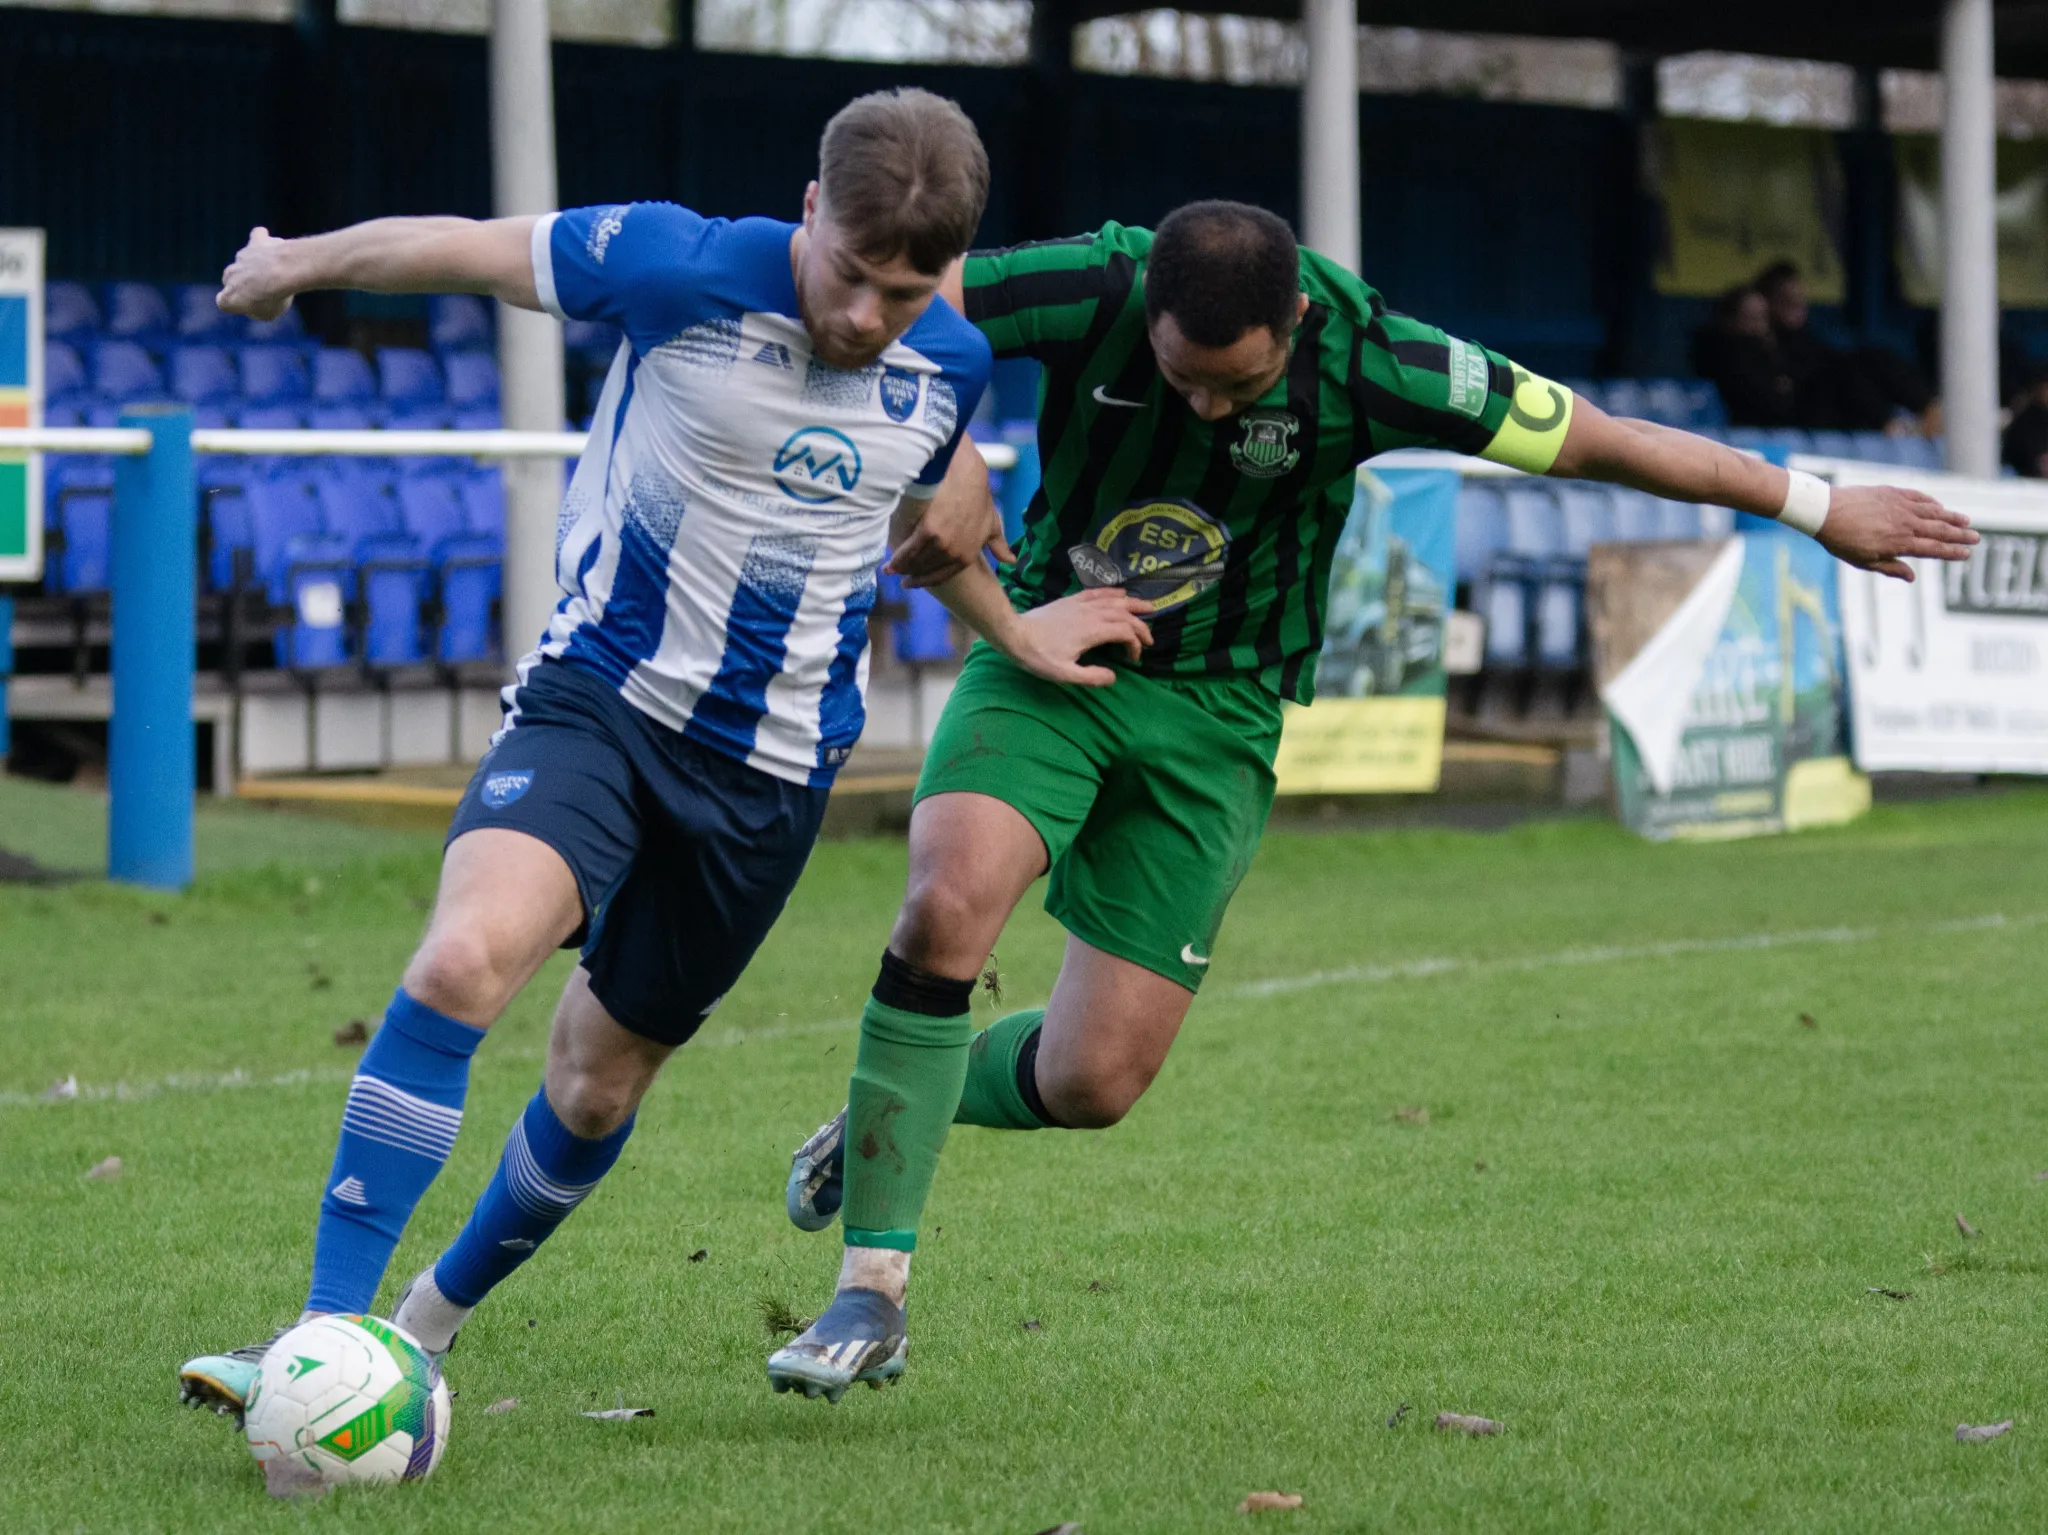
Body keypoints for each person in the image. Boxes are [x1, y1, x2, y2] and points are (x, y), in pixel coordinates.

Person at [764, 201, 1983, 1402]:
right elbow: (899, 300)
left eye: (1233, 389)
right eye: (1180, 380)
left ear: (1293, 322)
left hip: (1222, 711)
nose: (1204, 407)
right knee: (945, 903)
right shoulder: (1099, 283)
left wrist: (1817, 507)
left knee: (1092, 1081)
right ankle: (871, 1290)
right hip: (1048, 655)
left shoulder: (1380, 359)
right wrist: (950, 459)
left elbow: (1605, 441)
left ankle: (890, 1109)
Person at [176, 87, 1152, 1418]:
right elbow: (463, 243)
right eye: (852, 276)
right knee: (462, 959)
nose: (868, 316)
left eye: (906, 292)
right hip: (603, 708)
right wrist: (296, 262)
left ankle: (420, 1332)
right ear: (810, 210)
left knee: (593, 1080)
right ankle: (321, 1339)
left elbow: (929, 523)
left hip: (769, 779)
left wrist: (1018, 630)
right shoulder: (671, 264)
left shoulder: (951, 366)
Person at [1754, 261, 1933, 432]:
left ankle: (1929, 410)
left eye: (1799, 300)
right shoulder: (1757, 343)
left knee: (1870, 358)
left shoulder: (1808, 338)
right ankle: (1890, 424)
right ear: (1768, 303)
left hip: (1839, 412)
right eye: (1787, 300)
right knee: (1843, 370)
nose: (1797, 306)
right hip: (1803, 419)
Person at [1691, 284, 1798, 428]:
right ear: (1731, 321)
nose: (1760, 327)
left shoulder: (1777, 355)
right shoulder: (1723, 359)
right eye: (1752, 318)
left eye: (1764, 318)